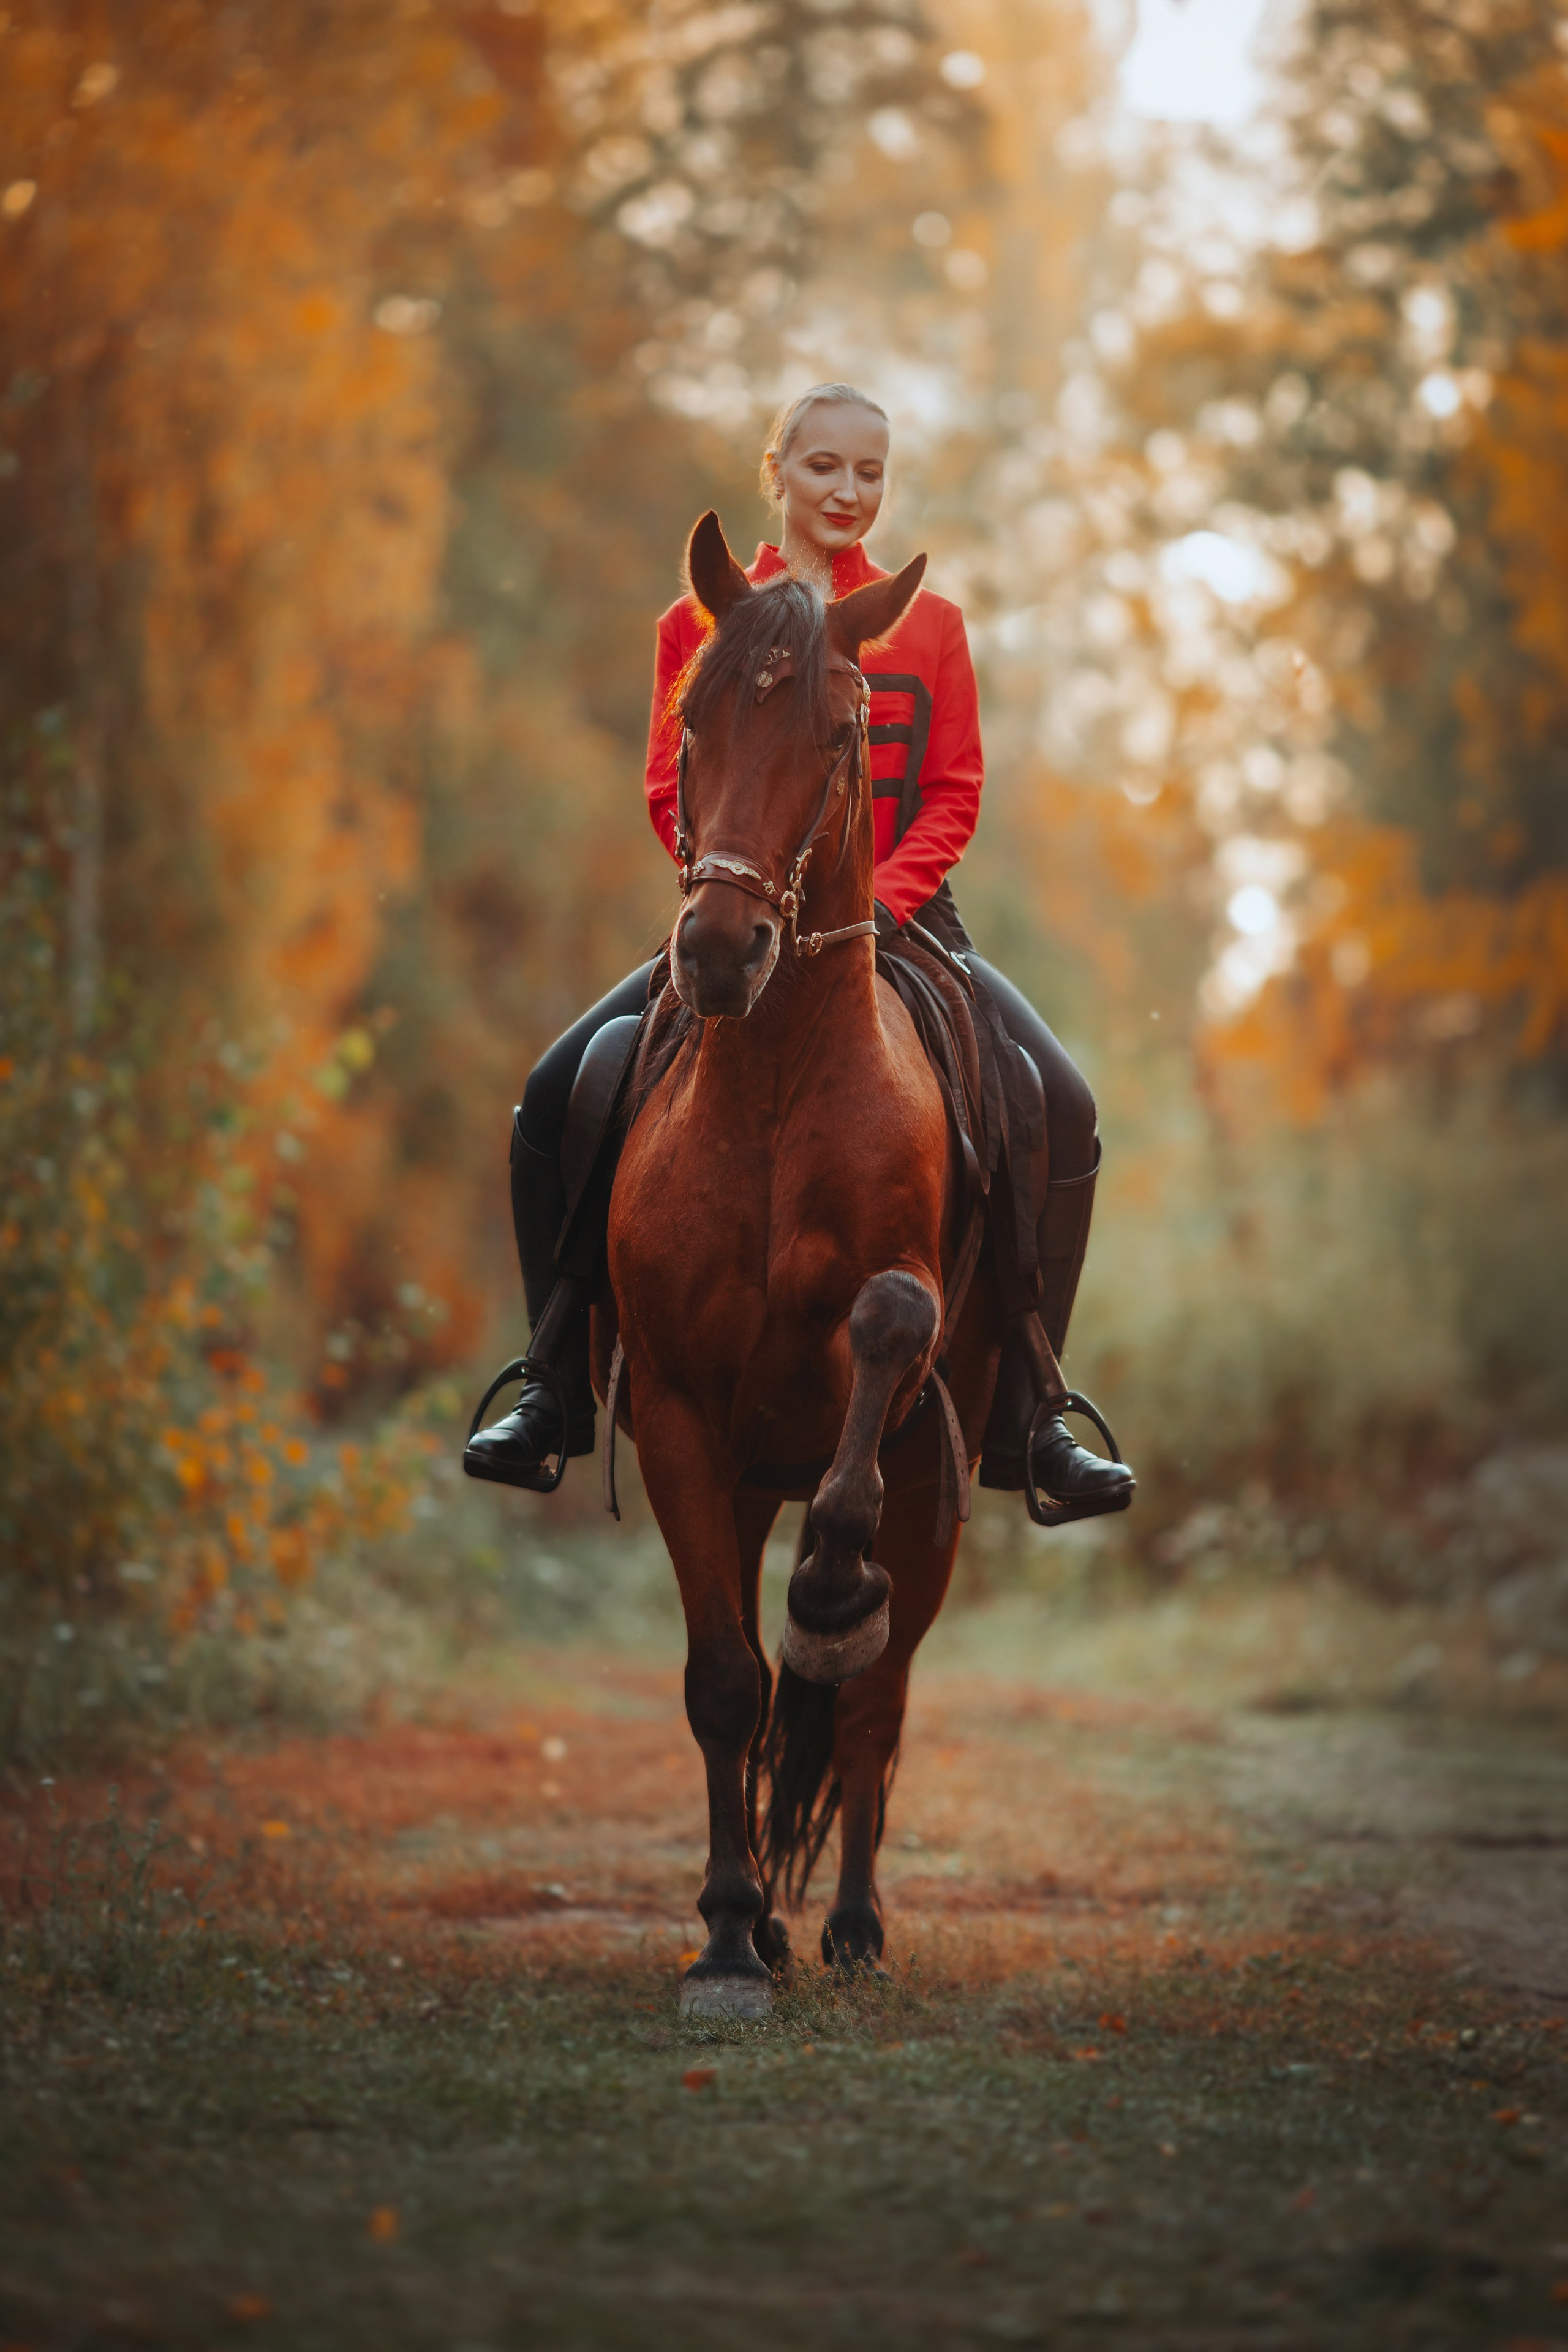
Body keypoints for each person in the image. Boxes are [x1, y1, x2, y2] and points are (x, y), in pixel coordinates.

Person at [464, 382, 1134, 1523]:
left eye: (870, 472)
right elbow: (672, 783)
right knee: (557, 1093)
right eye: (825, 466)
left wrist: (879, 905)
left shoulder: (929, 626)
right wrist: (737, 885)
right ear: (778, 470)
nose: (849, 490)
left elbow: (955, 793)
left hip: (905, 923)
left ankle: (1034, 1401)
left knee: (1055, 1102)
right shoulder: (702, 619)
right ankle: (552, 1384)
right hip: (739, 912)